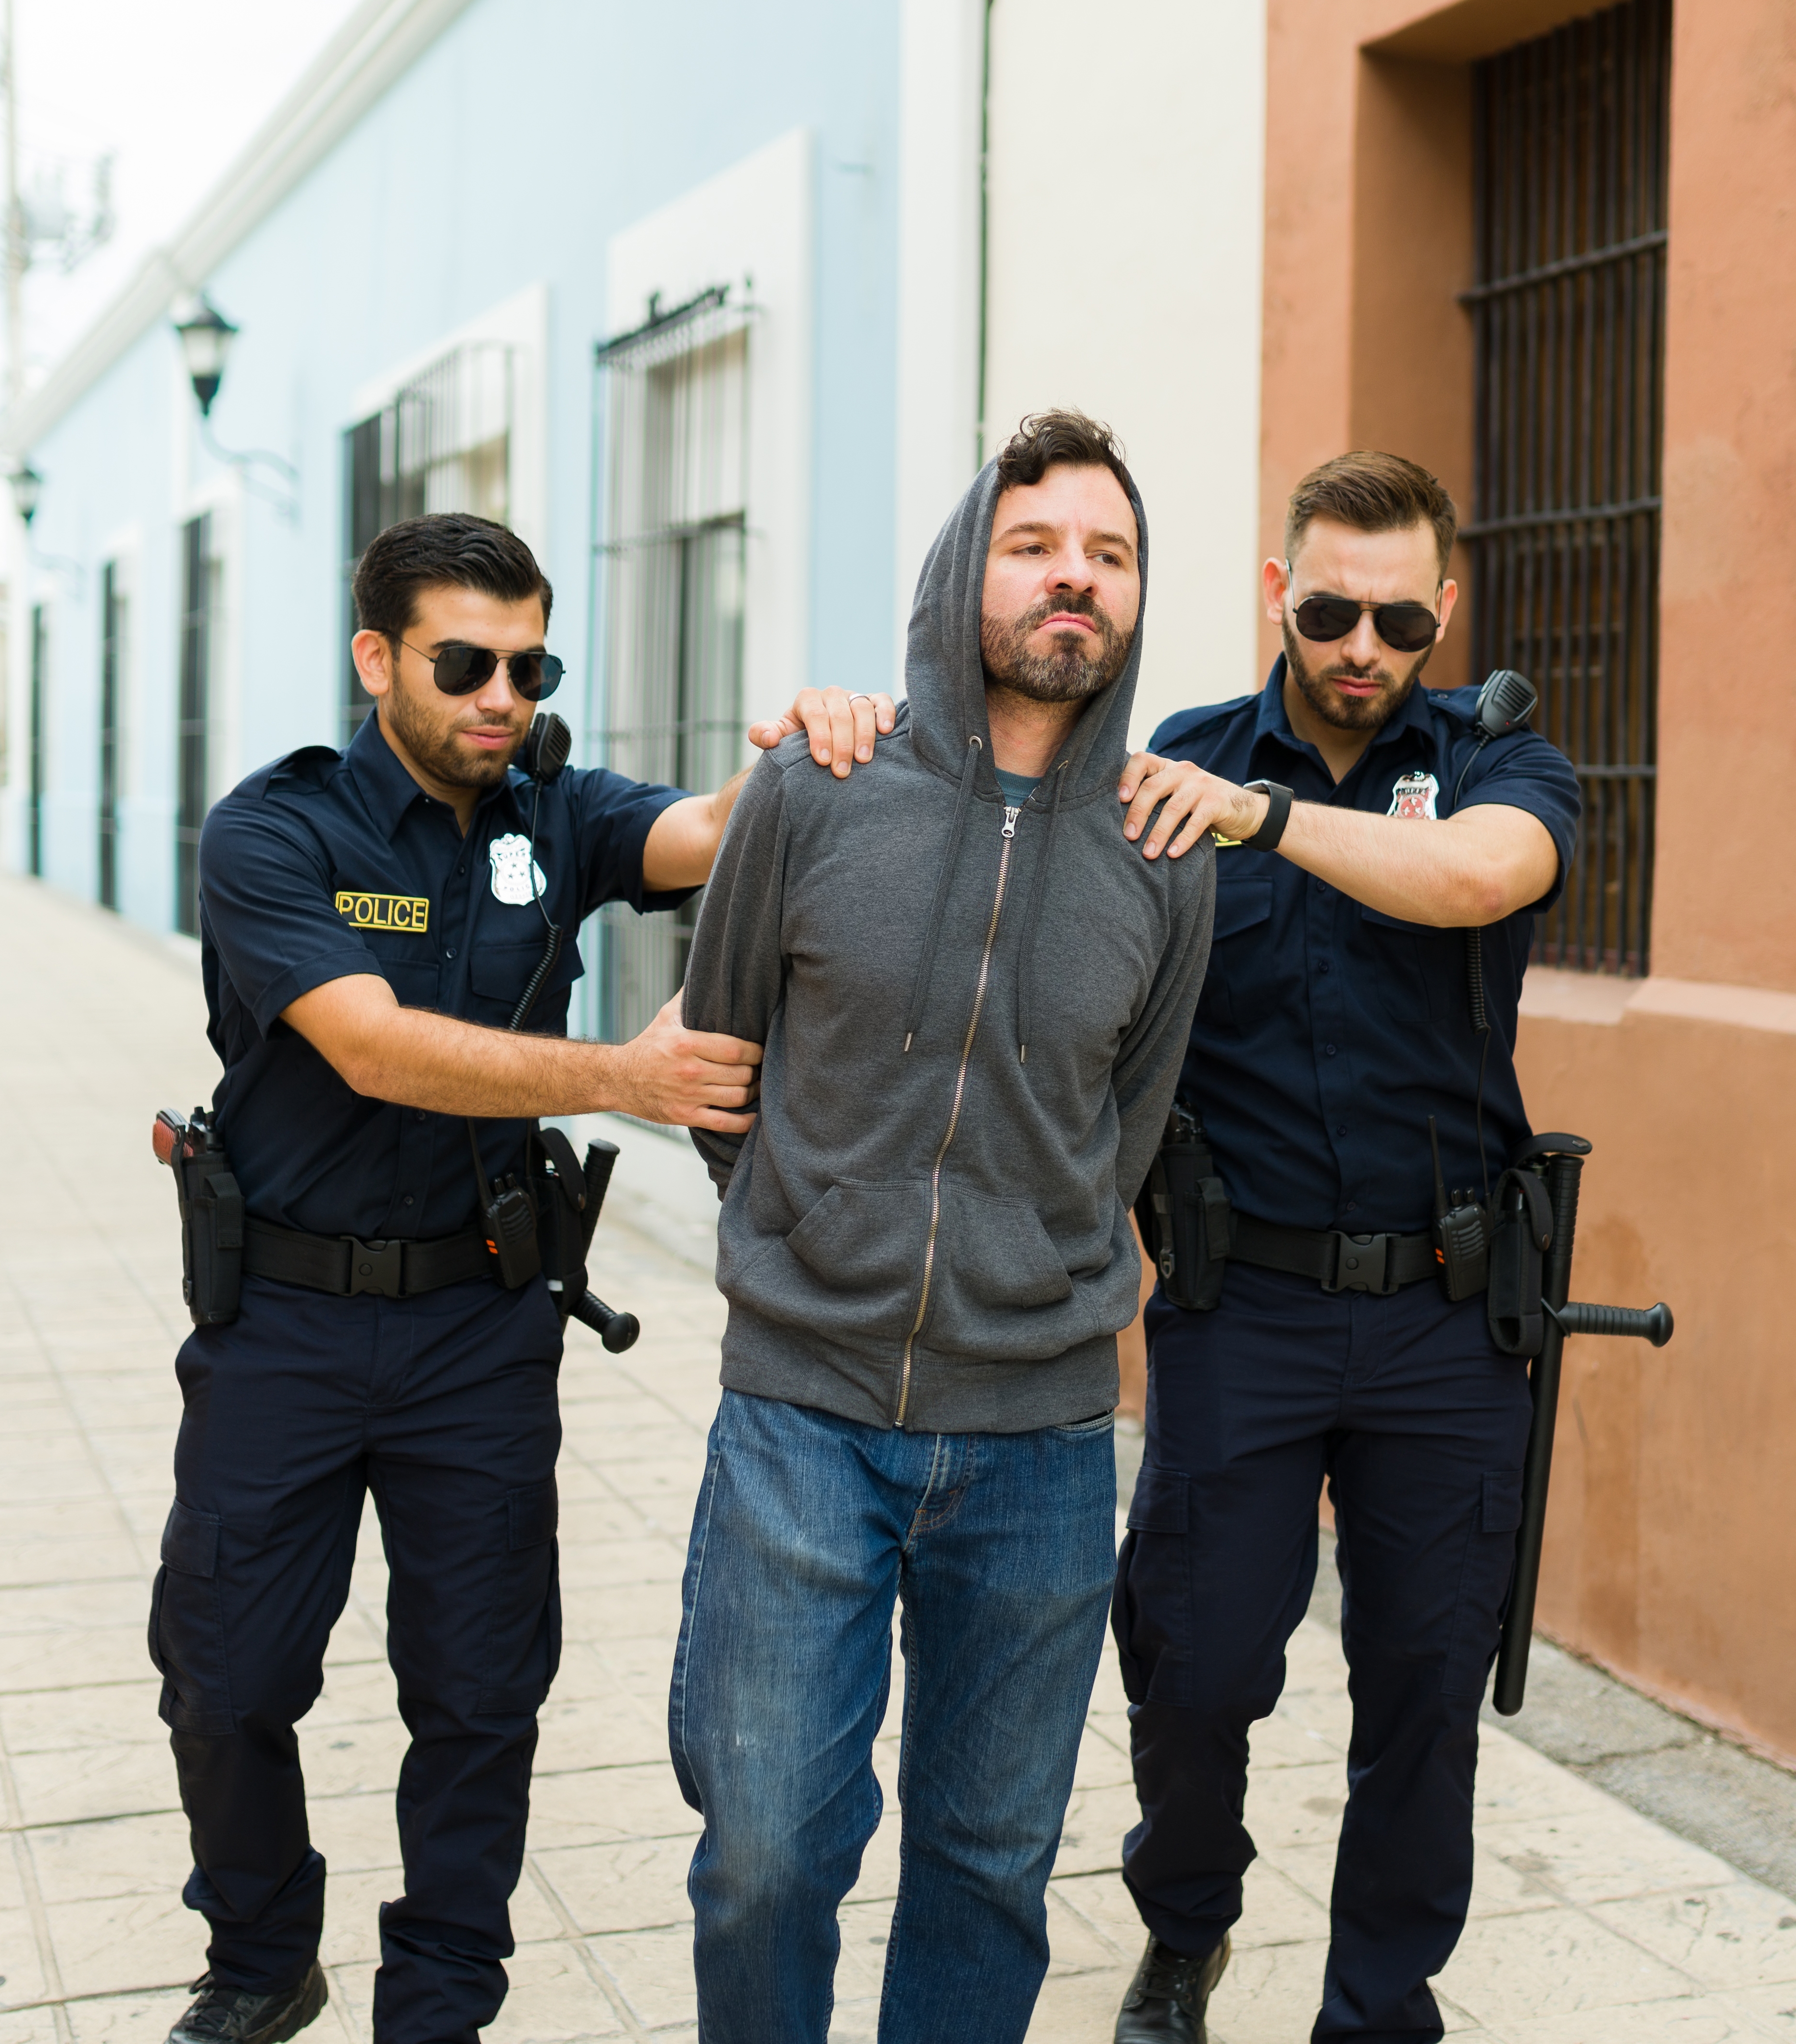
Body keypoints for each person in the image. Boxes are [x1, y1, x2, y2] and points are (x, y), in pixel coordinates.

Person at [153, 512, 881, 2044]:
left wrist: (810, 748)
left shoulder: (556, 812)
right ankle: (261, 1948)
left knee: (480, 1693)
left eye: (530, 663)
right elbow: (369, 1041)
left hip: (478, 1328)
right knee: (224, 1678)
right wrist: (621, 1071)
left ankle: (439, 2002)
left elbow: (713, 833)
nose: (502, 693)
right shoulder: (273, 832)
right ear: (378, 659)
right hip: (283, 1318)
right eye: (466, 662)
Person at [667, 411, 1215, 2044]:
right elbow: (720, 1063)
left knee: (988, 1863)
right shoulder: (814, 785)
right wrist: (811, 1236)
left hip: (1040, 1435)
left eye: (1109, 556)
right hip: (804, 1415)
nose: (1076, 581)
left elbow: (1128, 1123)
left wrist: (1035, 1263)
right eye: (1038, 544)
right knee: (766, 1855)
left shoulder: (1164, 852)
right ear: (964, 567)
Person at [1100, 451, 1585, 2044]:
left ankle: (1379, 2008)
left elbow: (1474, 879)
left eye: (1395, 616)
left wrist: (1269, 818)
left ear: (1443, 608)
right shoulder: (1173, 764)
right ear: (1275, 598)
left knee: (1423, 1686)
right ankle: (1186, 1922)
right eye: (1327, 611)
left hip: (1452, 1317)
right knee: (1194, 1659)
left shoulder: (1502, 763)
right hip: (1246, 1305)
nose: (1361, 647)